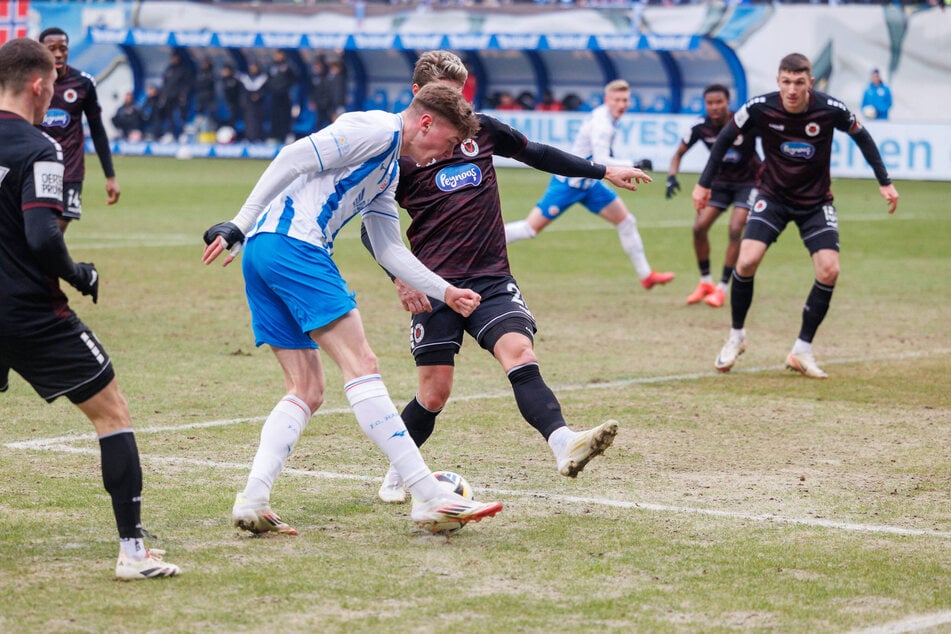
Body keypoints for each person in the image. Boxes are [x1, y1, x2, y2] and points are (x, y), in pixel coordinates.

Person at [201, 82, 504, 536]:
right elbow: (291, 157)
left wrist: (445, 291)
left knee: (306, 388)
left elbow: (388, 247)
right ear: (425, 123)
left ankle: (254, 499)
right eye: (444, 145)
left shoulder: (387, 171)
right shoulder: (377, 129)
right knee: (362, 365)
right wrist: (239, 223)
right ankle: (429, 495)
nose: (441, 156)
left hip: (265, 255)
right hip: (293, 247)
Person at [363, 51, 650, 504]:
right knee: (434, 392)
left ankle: (563, 444)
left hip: (491, 277)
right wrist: (401, 279)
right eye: (446, 98)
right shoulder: (394, 154)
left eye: (462, 96)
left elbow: (537, 153)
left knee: (519, 351)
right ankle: (400, 472)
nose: (458, 110)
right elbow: (372, 227)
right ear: (418, 96)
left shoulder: (483, 129)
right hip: (435, 284)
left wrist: (604, 169)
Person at [0, 37, 179, 580]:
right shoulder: (40, 148)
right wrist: (80, 275)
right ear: (38, 85)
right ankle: (132, 552)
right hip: (30, 313)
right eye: (51, 86)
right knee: (112, 412)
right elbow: (42, 236)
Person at [692, 53, 899, 379]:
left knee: (829, 270)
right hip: (771, 197)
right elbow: (724, 139)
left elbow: (863, 137)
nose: (791, 89)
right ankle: (736, 336)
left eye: (799, 82)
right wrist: (703, 185)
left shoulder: (831, 109)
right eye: (786, 82)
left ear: (810, 83)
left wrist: (885, 182)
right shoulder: (759, 107)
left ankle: (801, 350)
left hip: (815, 202)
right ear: (778, 81)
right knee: (746, 262)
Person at [504, 79, 674, 291]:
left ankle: (646, 276)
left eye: (625, 100)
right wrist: (634, 164)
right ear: (607, 100)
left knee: (626, 222)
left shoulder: (608, 118)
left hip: (591, 183)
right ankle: (483, 240)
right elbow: (603, 160)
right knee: (530, 229)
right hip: (569, 183)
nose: (622, 104)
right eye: (617, 100)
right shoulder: (602, 125)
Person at [665, 83, 760, 308]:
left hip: (749, 182)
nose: (714, 107)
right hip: (719, 184)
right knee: (699, 228)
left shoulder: (744, 122)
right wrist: (671, 177)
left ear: (728, 103)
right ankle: (706, 282)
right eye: (710, 103)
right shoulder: (700, 126)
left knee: (736, 229)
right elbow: (677, 154)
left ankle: (723, 287)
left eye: (719, 102)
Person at [37, 27, 119, 233]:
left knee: (54, 235)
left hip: (70, 171)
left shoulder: (83, 83)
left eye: (62, 48)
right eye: (52, 48)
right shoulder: (30, 83)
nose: (58, 54)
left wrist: (110, 176)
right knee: (35, 235)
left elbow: (98, 130)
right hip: (36, 168)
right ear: (40, 50)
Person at [154, 49, 192, 142]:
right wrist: (163, 94)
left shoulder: (183, 69)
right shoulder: (169, 69)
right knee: (169, 116)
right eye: (172, 57)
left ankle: (183, 135)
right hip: (168, 96)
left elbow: (188, 83)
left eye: (175, 57)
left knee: (180, 116)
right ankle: (170, 134)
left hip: (179, 97)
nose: (173, 59)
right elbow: (165, 83)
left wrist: (183, 93)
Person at [266, 49, 298, 143]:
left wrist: (286, 87)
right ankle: (274, 136)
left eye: (280, 54)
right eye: (277, 54)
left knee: (285, 117)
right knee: (274, 117)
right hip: (274, 96)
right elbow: (268, 79)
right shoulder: (272, 66)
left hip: (285, 95)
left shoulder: (288, 66)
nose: (278, 56)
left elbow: (295, 79)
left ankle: (286, 135)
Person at [238, 61, 267, 142]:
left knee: (258, 121)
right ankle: (249, 137)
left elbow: (265, 90)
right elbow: (243, 91)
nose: (253, 69)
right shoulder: (246, 78)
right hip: (248, 104)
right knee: (248, 121)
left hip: (259, 104)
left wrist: (259, 95)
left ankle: (258, 137)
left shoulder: (262, 78)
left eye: (254, 67)